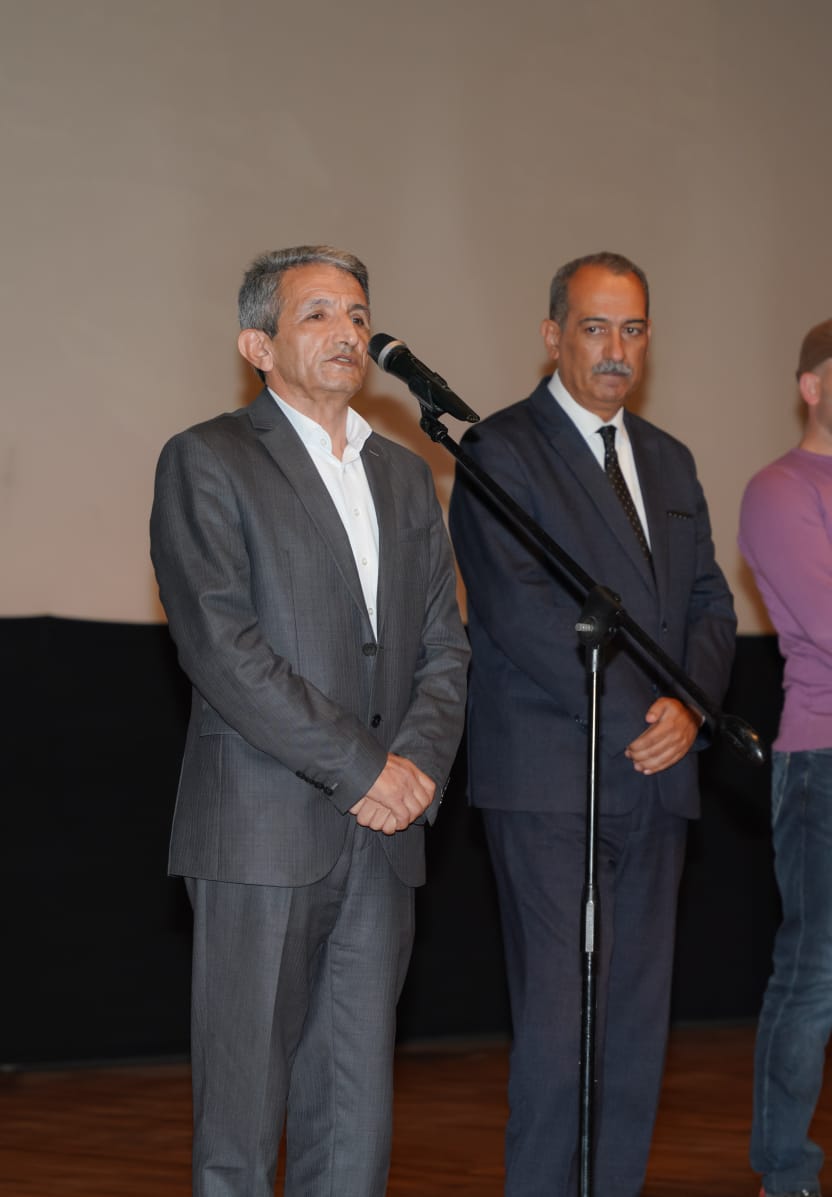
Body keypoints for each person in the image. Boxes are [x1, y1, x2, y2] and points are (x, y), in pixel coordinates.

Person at [149, 245, 469, 1197]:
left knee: (354, 1121)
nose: (348, 332)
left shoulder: (406, 475)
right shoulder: (208, 458)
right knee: (241, 1128)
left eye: (359, 315)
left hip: (386, 839)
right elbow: (223, 649)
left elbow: (444, 649)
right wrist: (368, 768)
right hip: (260, 832)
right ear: (258, 345)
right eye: (319, 313)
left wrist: (414, 771)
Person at [448, 251, 736, 1196]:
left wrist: (688, 708)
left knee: (636, 1031)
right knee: (558, 1030)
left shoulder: (670, 458)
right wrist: (640, 716)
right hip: (552, 779)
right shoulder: (500, 451)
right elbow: (520, 613)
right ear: (552, 335)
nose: (617, 349)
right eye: (596, 327)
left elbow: (709, 604)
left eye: (634, 329)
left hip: (661, 777)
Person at [739, 318, 832, 1197]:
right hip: (824, 761)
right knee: (816, 973)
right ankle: (787, 1171)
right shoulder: (780, 488)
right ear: (812, 385)